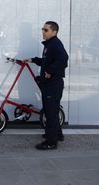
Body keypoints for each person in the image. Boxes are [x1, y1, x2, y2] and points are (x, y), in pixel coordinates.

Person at [25, 21, 68, 150]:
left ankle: (51, 142)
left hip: (53, 84)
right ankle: (58, 135)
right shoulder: (50, 44)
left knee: (50, 113)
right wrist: (33, 60)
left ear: (54, 32)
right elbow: (47, 61)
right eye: (42, 29)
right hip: (50, 84)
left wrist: (50, 71)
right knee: (52, 111)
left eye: (46, 30)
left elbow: (64, 59)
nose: (43, 32)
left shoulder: (55, 44)